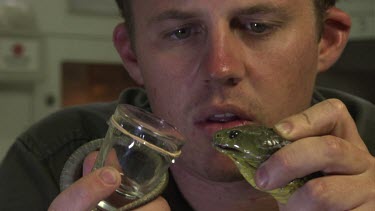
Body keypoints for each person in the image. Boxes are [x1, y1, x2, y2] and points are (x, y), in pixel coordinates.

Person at [1, 0, 374, 210]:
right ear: (132, 55)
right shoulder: (48, 166)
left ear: (324, 41)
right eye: (181, 32)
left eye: (257, 26)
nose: (220, 68)